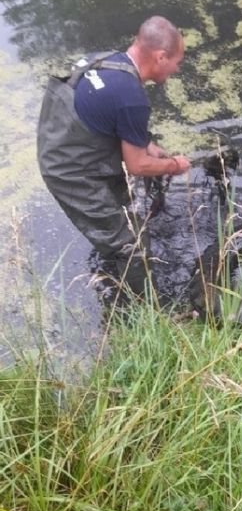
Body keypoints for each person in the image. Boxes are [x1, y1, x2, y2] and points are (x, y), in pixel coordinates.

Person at [37, 15, 191, 300]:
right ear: (160, 57)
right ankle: (143, 311)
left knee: (121, 217)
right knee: (129, 245)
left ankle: (111, 269)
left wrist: (147, 143)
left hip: (61, 137)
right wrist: (174, 166)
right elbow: (137, 165)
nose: (177, 69)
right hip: (69, 171)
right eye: (177, 62)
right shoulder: (132, 98)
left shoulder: (106, 60)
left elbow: (105, 109)